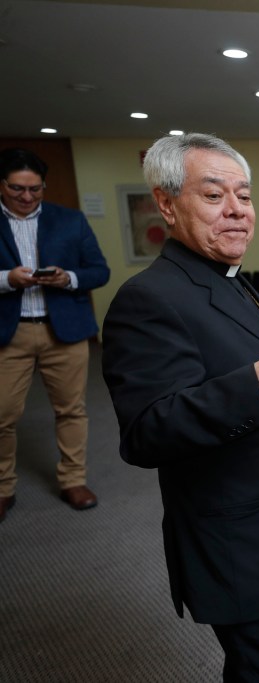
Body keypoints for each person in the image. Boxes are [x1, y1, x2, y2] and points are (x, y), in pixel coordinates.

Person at [102, 133, 259, 681]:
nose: (238, 211)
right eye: (215, 196)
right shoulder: (149, 298)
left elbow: (251, 375)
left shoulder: (233, 281)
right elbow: (147, 432)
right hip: (241, 540)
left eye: (245, 195)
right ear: (166, 204)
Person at [0, 147, 110, 521]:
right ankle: (2, 487)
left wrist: (70, 278)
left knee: (71, 409)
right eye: (17, 189)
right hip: (8, 333)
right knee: (2, 414)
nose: (27, 197)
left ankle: (73, 480)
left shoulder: (71, 220)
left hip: (64, 330)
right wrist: (6, 279)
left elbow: (100, 271)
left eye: (35, 189)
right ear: (2, 185)